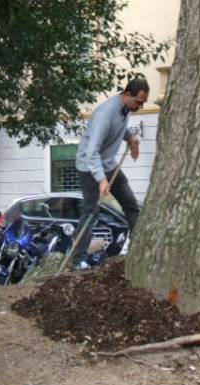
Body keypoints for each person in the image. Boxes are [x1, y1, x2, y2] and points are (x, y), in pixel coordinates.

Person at [72, 78, 149, 269]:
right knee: (91, 212)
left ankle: (140, 249)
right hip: (90, 167)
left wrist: (130, 138)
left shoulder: (125, 109)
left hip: (108, 164)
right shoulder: (105, 113)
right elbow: (91, 151)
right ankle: (78, 260)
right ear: (127, 94)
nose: (140, 106)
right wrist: (101, 179)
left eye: (143, 103)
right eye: (138, 102)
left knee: (131, 204)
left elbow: (117, 130)